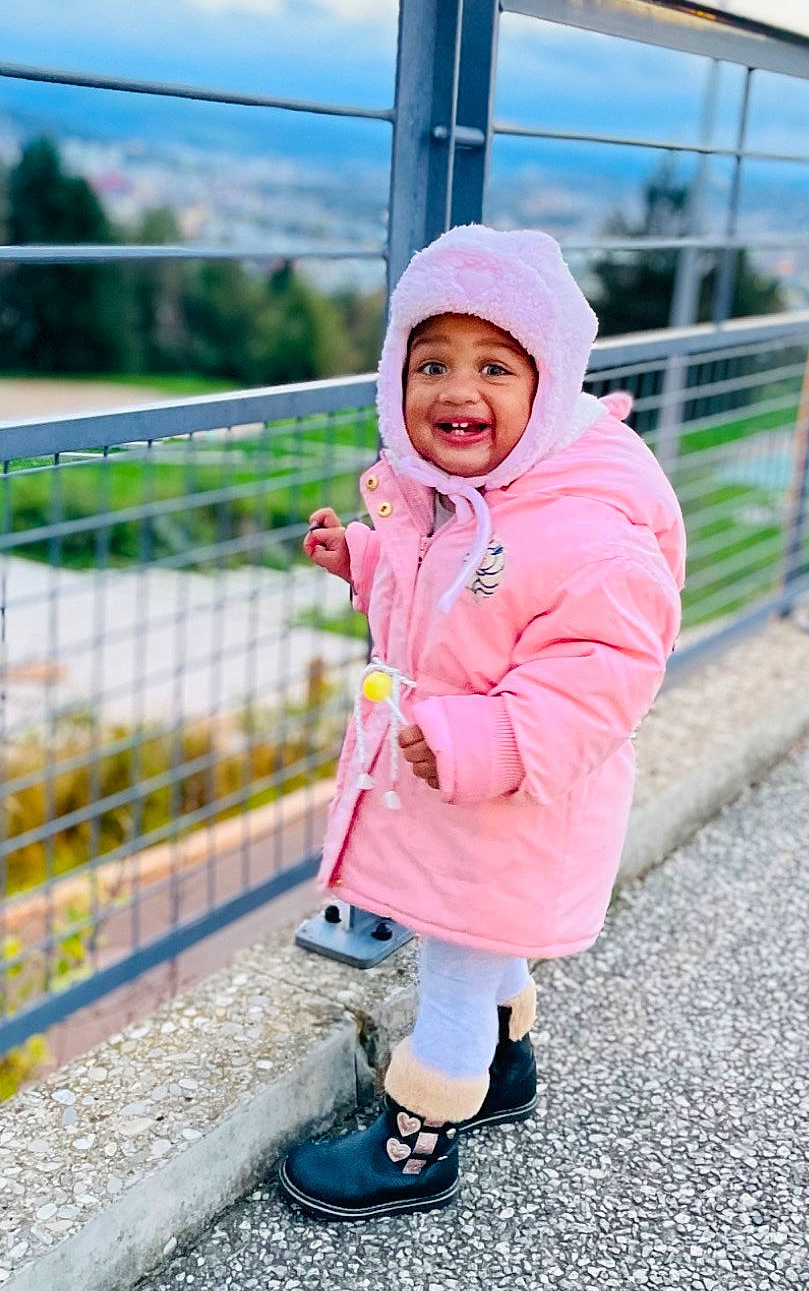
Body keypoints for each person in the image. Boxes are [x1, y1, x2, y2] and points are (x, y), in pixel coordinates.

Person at [278, 224, 686, 1222]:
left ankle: (421, 1139)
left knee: (457, 953)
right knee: (482, 927)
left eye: (495, 365)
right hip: (458, 797)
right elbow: (448, 590)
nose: (459, 389)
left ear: (548, 386)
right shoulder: (463, 497)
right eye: (432, 362)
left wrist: (485, 742)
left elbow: (597, 680)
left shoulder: (586, 531)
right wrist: (366, 561)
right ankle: (507, 1066)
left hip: (507, 797)